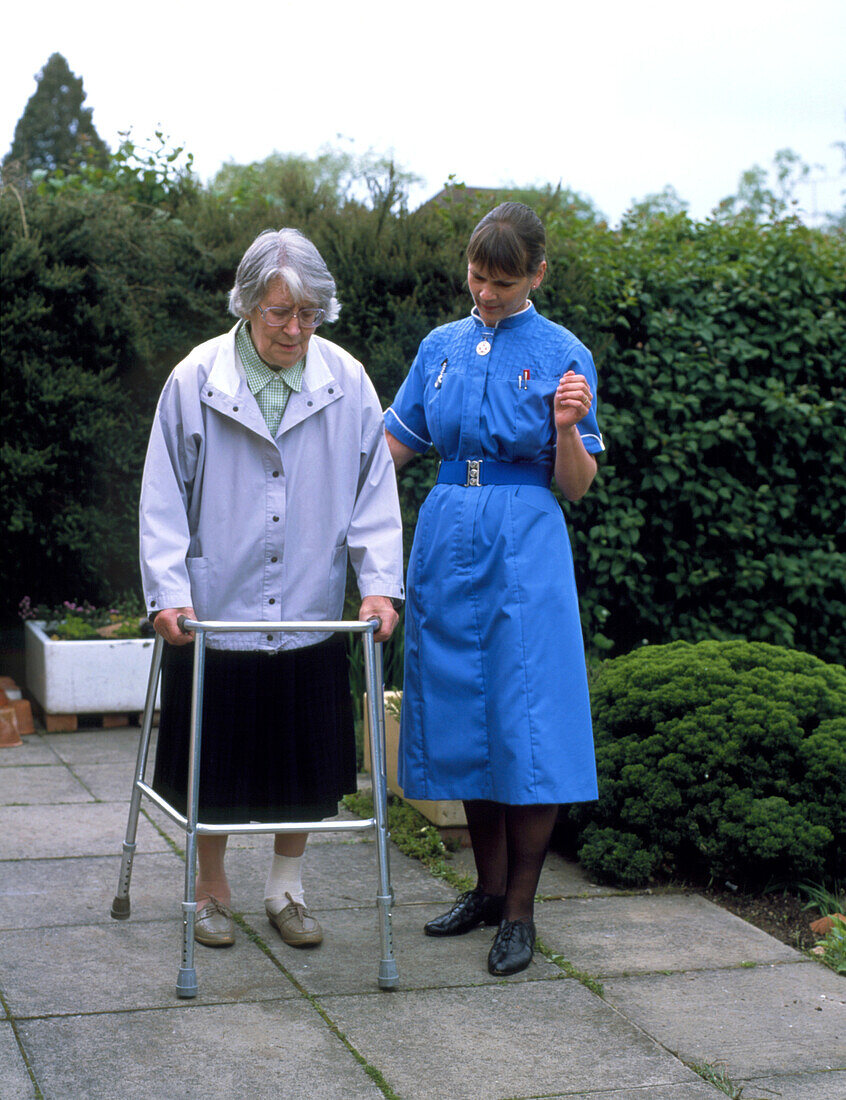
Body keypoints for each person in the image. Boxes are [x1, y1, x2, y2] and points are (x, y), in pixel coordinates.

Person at [140, 228, 403, 950]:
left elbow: (373, 493)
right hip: (215, 609)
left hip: (310, 610)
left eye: (310, 314)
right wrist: (167, 591)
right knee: (213, 763)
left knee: (302, 762)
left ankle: (287, 891)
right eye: (281, 314)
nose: (296, 329)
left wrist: (379, 587)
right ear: (249, 305)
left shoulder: (346, 380)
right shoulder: (196, 379)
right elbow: (162, 494)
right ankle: (210, 890)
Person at [384, 202, 603, 976]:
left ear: (537, 274)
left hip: (524, 542)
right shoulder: (439, 346)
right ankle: (483, 890)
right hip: (447, 534)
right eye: (478, 275)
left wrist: (570, 427)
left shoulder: (563, 352)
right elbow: (393, 446)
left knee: (526, 716)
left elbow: (575, 487)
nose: (486, 292)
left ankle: (520, 911)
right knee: (465, 709)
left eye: (503, 282)